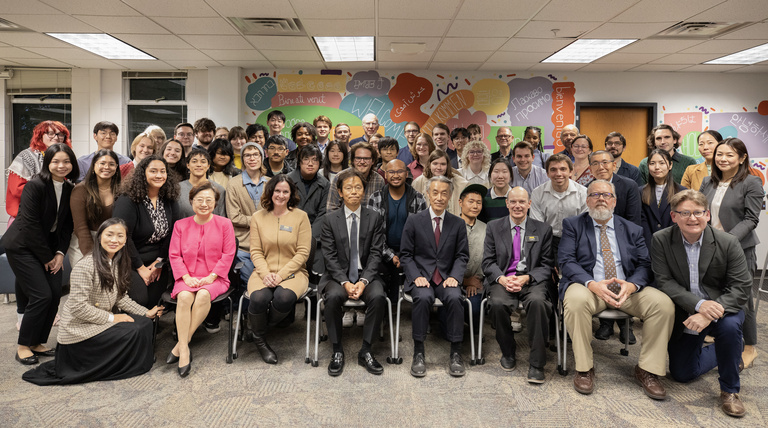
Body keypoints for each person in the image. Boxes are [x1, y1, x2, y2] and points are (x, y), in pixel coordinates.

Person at [559, 180, 674, 399]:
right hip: (590, 288)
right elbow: (566, 261)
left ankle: (647, 370)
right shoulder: (573, 225)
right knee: (574, 300)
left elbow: (645, 264)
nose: (600, 198)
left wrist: (631, 285)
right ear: (587, 200)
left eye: (606, 195)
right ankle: (584, 368)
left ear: (614, 200)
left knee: (663, 304)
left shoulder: (633, 229)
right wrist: (592, 284)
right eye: (595, 195)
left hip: (627, 289)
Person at [21, 218, 164, 385]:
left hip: (97, 320)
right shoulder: (85, 266)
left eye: (120, 236)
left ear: (125, 241)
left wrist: (146, 312)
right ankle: (122, 364)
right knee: (134, 330)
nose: (114, 240)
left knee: (144, 323)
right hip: (79, 329)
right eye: (109, 234)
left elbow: (120, 298)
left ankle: (134, 360)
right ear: (100, 237)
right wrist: (113, 318)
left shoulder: (117, 262)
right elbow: (78, 308)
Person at [651, 190, 752, 418]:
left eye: (698, 212)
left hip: (723, 308)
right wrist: (698, 305)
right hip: (687, 310)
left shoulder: (728, 242)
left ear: (707, 215)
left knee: (728, 328)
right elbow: (664, 281)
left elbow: (741, 287)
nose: (692, 218)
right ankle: (730, 350)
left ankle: (729, 391)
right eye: (684, 212)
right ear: (674, 216)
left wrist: (708, 311)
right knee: (682, 373)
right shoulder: (661, 240)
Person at [3, 143, 78, 365]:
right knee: (41, 295)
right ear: (47, 163)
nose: (61, 165)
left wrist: (59, 253)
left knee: (55, 294)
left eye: (66, 161)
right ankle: (24, 345)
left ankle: (37, 342)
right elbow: (29, 225)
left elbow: (66, 227)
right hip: (23, 246)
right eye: (56, 161)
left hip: (49, 249)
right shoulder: (35, 186)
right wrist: (47, 257)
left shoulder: (69, 189)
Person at [700, 138, 764, 369]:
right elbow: (700, 212)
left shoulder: (752, 182)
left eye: (729, 155)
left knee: (742, 296)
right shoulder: (708, 182)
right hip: (709, 246)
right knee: (714, 290)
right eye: (720, 154)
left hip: (738, 248)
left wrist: (727, 241)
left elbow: (751, 219)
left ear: (742, 158)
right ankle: (720, 333)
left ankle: (749, 347)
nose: (723, 159)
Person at [483, 187, 555, 383]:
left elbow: (547, 265)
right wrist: (502, 279)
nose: (517, 206)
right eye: (513, 201)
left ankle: (537, 363)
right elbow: (488, 262)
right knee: (497, 303)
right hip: (504, 278)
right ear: (507, 203)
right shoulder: (493, 227)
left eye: (522, 202)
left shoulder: (543, 229)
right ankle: (508, 351)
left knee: (539, 303)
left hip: (532, 280)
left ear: (529, 204)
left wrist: (527, 278)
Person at [320, 169, 388, 376]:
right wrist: (345, 282)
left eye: (358, 187)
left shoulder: (374, 217)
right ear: (340, 192)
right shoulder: (330, 219)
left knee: (378, 296)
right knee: (333, 297)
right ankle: (337, 350)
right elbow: (329, 257)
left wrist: (364, 280)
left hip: (366, 274)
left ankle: (366, 350)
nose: (353, 192)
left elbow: (376, 254)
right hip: (337, 276)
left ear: (364, 191)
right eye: (348, 188)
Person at [400, 176, 470, 378]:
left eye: (444, 193)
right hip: (421, 276)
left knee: (456, 298)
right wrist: (415, 277)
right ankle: (419, 351)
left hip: (447, 277)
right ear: (428, 194)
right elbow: (405, 255)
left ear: (450, 196)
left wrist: (456, 277)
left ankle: (456, 352)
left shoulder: (457, 223)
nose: (439, 197)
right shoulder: (414, 220)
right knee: (422, 298)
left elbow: (462, 255)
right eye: (435, 192)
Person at [168, 182, 236, 377]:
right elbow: (174, 255)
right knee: (184, 298)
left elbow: (228, 254)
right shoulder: (180, 225)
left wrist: (211, 277)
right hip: (187, 276)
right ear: (191, 202)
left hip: (216, 277)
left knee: (204, 295)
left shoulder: (225, 224)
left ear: (215, 203)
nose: (204, 204)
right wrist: (186, 278)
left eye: (209, 200)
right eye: (199, 200)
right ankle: (184, 348)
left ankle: (182, 347)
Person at [247, 175, 311, 364]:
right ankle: (260, 340)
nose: (281, 195)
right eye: (277, 191)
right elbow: (256, 251)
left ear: (291, 194)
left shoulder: (301, 217)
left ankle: (259, 330)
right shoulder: (258, 218)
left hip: (294, 272)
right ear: (270, 192)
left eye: (285, 192)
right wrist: (266, 274)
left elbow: (303, 252)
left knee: (284, 298)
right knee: (259, 298)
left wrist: (281, 275)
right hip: (263, 272)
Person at [589, 149, 643, 342]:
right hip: (598, 241)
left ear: (614, 164)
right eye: (595, 163)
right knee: (602, 271)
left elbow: (634, 219)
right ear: (590, 168)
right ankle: (606, 324)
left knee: (623, 273)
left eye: (604, 162)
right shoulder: (589, 188)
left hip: (625, 241)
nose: (600, 167)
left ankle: (625, 326)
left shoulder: (629, 185)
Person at [114, 155, 180, 308]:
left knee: (155, 301)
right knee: (140, 300)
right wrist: (141, 268)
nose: (159, 175)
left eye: (162, 171)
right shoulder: (128, 200)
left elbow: (173, 233)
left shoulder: (169, 199)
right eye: (153, 171)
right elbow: (123, 236)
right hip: (129, 260)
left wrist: (159, 262)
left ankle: (148, 330)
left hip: (157, 260)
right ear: (142, 173)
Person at [367, 159, 428, 306]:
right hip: (381, 252)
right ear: (385, 175)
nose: (396, 175)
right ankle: (384, 308)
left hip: (411, 252)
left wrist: (405, 255)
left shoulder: (418, 198)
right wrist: (391, 256)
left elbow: (421, 234)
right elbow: (373, 235)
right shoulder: (375, 198)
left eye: (400, 171)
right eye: (391, 172)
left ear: (406, 174)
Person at [6, 120, 72, 221]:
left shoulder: (65, 157)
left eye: (60, 134)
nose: (56, 137)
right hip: (26, 218)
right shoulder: (26, 157)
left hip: (54, 218)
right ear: (40, 135)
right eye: (50, 133)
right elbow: (17, 190)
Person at [530, 154, 587, 266]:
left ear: (571, 171)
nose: (558, 174)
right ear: (547, 173)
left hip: (575, 240)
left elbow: (583, 225)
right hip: (548, 240)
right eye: (553, 170)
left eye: (563, 169)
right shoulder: (537, 193)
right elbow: (538, 226)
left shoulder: (583, 193)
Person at [226, 143, 268, 287]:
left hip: (268, 245)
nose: (252, 158)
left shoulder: (271, 183)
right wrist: (262, 220)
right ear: (242, 159)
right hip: (243, 246)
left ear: (262, 158)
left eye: (256, 154)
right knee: (251, 281)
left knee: (268, 279)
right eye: (247, 155)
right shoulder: (233, 184)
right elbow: (234, 217)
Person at [69, 149, 121, 268]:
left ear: (117, 168)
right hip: (84, 241)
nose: (106, 167)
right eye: (102, 163)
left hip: (111, 241)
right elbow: (80, 228)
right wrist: (94, 256)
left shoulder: (121, 190)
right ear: (93, 166)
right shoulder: (80, 190)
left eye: (111, 164)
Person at [639, 149, 685, 251]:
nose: (657, 167)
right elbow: (641, 222)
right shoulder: (640, 192)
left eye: (661, 163)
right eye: (652, 163)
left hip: (675, 246)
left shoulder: (682, 192)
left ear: (670, 165)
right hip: (648, 247)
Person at [457, 184, 488, 332]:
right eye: (471, 201)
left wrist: (475, 280)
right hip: (452, 282)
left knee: (474, 311)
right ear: (460, 202)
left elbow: (489, 257)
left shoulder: (487, 229)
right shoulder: (451, 226)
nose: (475, 206)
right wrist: (463, 280)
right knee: (449, 316)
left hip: (477, 281)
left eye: (479, 202)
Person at [326, 142, 385, 212]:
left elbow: (381, 209)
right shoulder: (339, 177)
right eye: (358, 158)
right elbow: (331, 209)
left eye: (366, 158)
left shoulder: (379, 180)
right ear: (353, 160)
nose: (362, 162)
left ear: (373, 161)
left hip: (371, 221)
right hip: (343, 221)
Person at [411, 149, 468, 216]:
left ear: (447, 165)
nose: (439, 167)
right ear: (429, 165)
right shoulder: (418, 183)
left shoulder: (461, 183)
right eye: (435, 164)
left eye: (443, 164)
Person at [178, 148, 227, 219]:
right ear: (188, 165)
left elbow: (222, 218)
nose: (199, 165)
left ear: (208, 166)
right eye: (194, 161)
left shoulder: (219, 189)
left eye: (203, 162)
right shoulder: (178, 188)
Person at [287, 145, 329, 225]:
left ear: (320, 163)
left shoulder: (325, 184)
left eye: (314, 160)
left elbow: (322, 214)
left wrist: (311, 236)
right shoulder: (287, 181)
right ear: (299, 162)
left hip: (315, 231)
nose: (310, 164)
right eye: (306, 159)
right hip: (289, 227)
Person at [479, 158, 512, 223]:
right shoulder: (483, 197)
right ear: (490, 175)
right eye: (496, 172)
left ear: (510, 175)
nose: (500, 176)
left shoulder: (518, 196)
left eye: (504, 172)